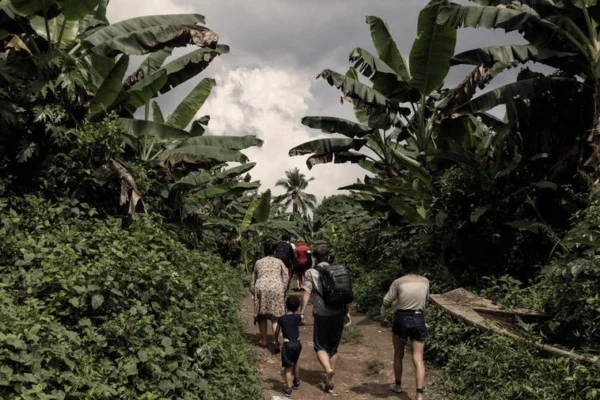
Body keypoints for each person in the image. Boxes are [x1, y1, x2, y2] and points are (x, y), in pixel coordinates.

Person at [300, 245, 351, 395]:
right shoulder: (339, 271)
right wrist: (347, 312)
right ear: (329, 257)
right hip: (338, 312)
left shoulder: (311, 272)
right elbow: (345, 292)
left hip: (321, 313)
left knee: (320, 345)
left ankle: (328, 370)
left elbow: (306, 293)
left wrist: (302, 312)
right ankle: (330, 378)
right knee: (333, 347)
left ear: (315, 258)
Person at [381, 249, 429, 400]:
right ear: (418, 264)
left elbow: (386, 301)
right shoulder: (425, 281)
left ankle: (398, 385)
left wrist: (389, 307)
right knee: (418, 358)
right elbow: (425, 302)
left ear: (403, 265)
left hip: (401, 318)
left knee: (398, 355)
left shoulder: (398, 282)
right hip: (418, 318)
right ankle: (419, 394)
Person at [250, 240, 289, 348]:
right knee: (275, 317)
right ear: (275, 251)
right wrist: (283, 290)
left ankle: (264, 340)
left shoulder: (259, 262)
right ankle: (275, 341)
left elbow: (254, 279)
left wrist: (253, 292)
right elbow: (286, 277)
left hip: (261, 288)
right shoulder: (279, 262)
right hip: (276, 288)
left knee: (262, 317)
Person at [274, 295, 303, 397]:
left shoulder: (281, 319)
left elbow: (277, 331)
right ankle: (296, 381)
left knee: (287, 367)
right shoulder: (298, 317)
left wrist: (276, 340)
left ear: (285, 306)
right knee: (296, 362)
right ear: (297, 307)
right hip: (297, 343)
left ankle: (289, 388)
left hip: (287, 344)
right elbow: (300, 321)